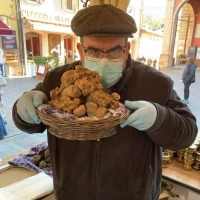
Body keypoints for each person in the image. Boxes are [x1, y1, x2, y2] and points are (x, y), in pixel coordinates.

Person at [12, 4, 197, 200]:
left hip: (132, 194)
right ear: (81, 51)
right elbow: (31, 123)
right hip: (71, 192)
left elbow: (187, 134)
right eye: (93, 52)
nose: (104, 59)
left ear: (126, 50)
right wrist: (22, 112)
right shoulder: (58, 79)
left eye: (114, 52)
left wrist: (159, 118)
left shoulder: (155, 83)